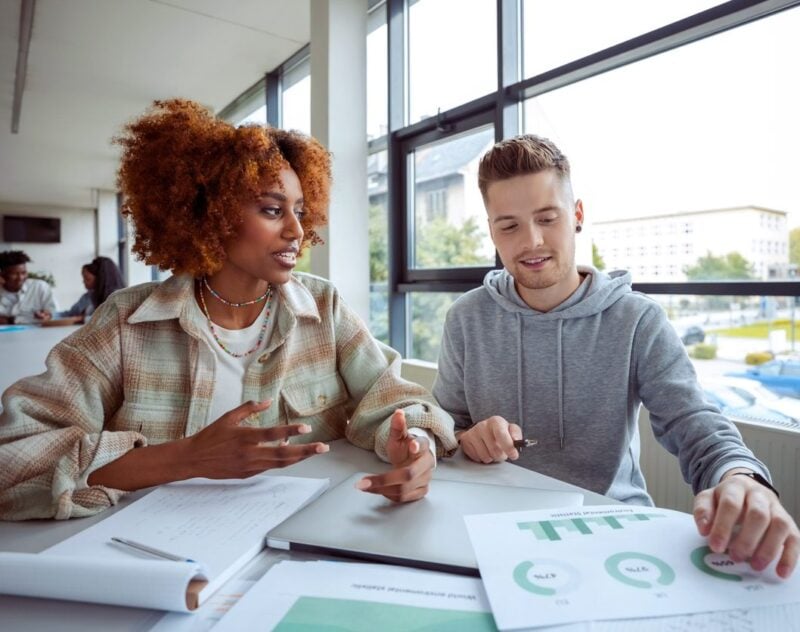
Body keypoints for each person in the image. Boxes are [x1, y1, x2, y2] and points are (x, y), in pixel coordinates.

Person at [0, 99, 456, 520]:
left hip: (301, 537)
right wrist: (184, 458)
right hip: (155, 551)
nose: (297, 230)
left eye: (300, 210)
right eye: (272, 210)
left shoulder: (323, 307)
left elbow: (398, 399)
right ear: (208, 215)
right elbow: (13, 458)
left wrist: (415, 445)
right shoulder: (126, 323)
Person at [433, 134, 799, 578]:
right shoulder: (466, 318)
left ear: (578, 216)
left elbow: (693, 423)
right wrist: (465, 436)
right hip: (492, 524)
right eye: (508, 225)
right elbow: (443, 425)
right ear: (491, 230)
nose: (531, 241)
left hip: (609, 527)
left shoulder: (636, 319)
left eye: (547, 218)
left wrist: (741, 477)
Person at [58, 256, 126, 322]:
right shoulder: (88, 296)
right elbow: (70, 313)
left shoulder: (116, 298)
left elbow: (111, 319)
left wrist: (83, 318)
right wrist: (52, 315)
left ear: (100, 278)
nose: (83, 282)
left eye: (87, 279)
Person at [0, 250, 58, 324]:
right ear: (2, 274)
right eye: (14, 274)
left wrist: (47, 315)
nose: (20, 278)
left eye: (23, 273)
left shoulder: (39, 287)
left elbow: (55, 313)